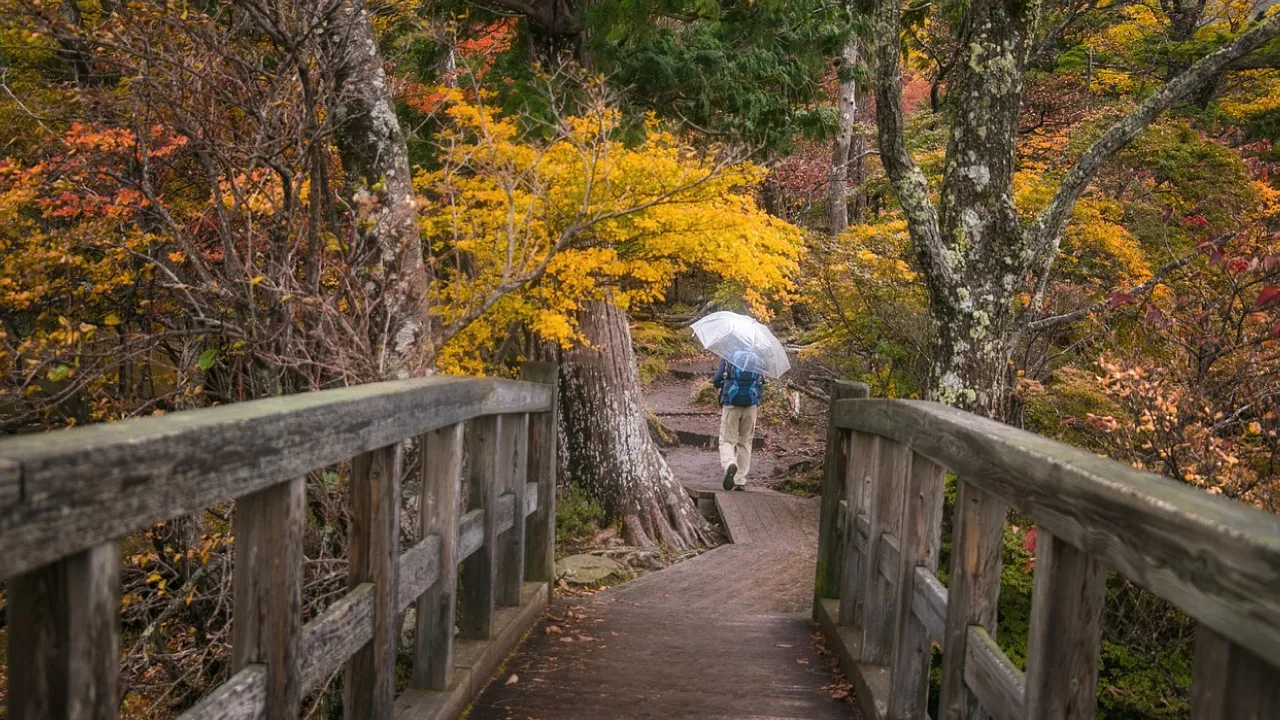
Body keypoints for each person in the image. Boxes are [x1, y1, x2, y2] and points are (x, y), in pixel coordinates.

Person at [712, 349, 764, 491]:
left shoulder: (729, 353)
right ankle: (740, 480)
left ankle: (730, 464)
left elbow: (717, 379)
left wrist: (718, 385)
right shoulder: (757, 355)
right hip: (751, 404)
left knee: (727, 440)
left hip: (731, 403)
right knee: (745, 442)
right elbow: (761, 380)